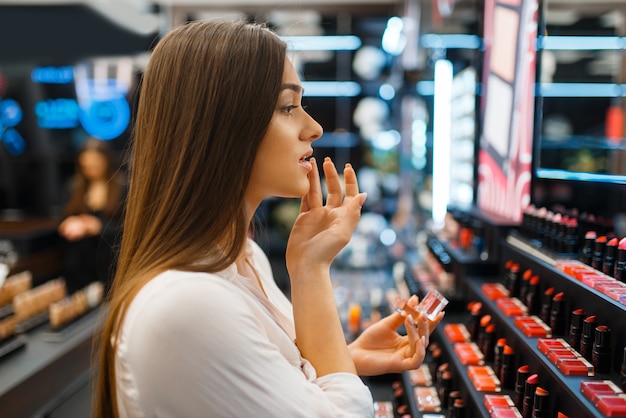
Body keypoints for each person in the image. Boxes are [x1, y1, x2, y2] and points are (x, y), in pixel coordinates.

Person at [94, 19, 443, 418]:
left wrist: (345, 359)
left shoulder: (246, 259)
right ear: (220, 126)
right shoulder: (188, 303)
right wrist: (311, 270)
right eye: (288, 107)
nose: (314, 128)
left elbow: (271, 377)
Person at [57, 138, 125, 294]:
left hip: (109, 262)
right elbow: (62, 219)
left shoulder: (122, 186)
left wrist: (98, 226)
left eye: (95, 163)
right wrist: (70, 222)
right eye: (86, 165)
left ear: (106, 160)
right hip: (79, 264)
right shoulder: (73, 186)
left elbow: (127, 228)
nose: (91, 169)